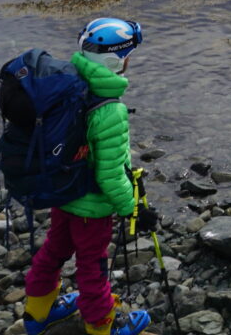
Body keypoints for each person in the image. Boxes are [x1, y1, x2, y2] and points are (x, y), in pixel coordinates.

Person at [23, 18, 151, 335]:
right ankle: (102, 325)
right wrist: (133, 207)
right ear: (116, 61)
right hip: (91, 207)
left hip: (62, 193)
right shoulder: (109, 109)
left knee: (54, 250)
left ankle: (37, 314)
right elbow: (109, 175)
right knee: (93, 266)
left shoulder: (67, 87)